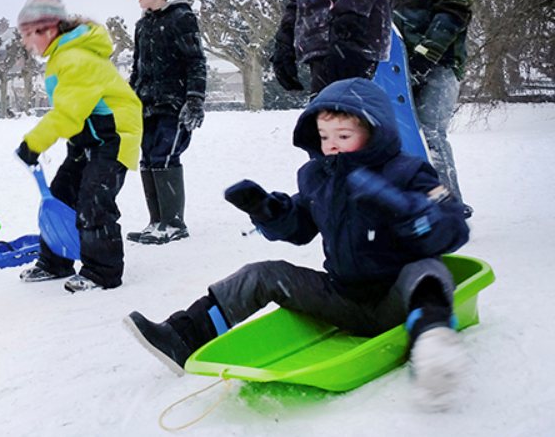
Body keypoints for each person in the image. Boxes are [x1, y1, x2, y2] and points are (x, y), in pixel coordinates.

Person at [124, 78, 470, 411]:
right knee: (262, 275)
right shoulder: (318, 176)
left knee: (426, 271)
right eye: (324, 136)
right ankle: (183, 335)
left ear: (375, 133)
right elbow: (301, 225)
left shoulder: (409, 172)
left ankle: (433, 345)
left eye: (344, 135)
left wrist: (404, 209)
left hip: (398, 297)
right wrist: (269, 212)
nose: (331, 145)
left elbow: (453, 226)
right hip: (343, 298)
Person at [13, 0, 142, 293]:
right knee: (59, 195)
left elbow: (69, 113)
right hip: (89, 138)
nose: (26, 42)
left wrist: (33, 143)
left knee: (94, 200)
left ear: (50, 29)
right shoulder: (63, 56)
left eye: (30, 34)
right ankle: (54, 262)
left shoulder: (75, 58)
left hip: (113, 137)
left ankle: (103, 271)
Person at [387, 0, 476, 218]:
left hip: (440, 64)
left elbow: (453, 12)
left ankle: (449, 207)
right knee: (402, 137)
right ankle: (417, 205)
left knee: (430, 132)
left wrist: (426, 56)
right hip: (399, 68)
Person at [127, 0, 208, 245]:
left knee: (165, 155)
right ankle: (156, 222)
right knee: (148, 157)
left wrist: (195, 99)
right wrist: (129, 100)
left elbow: (195, 60)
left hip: (173, 103)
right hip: (145, 104)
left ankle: (174, 223)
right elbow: (137, 69)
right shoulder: (142, 25)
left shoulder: (181, 18)